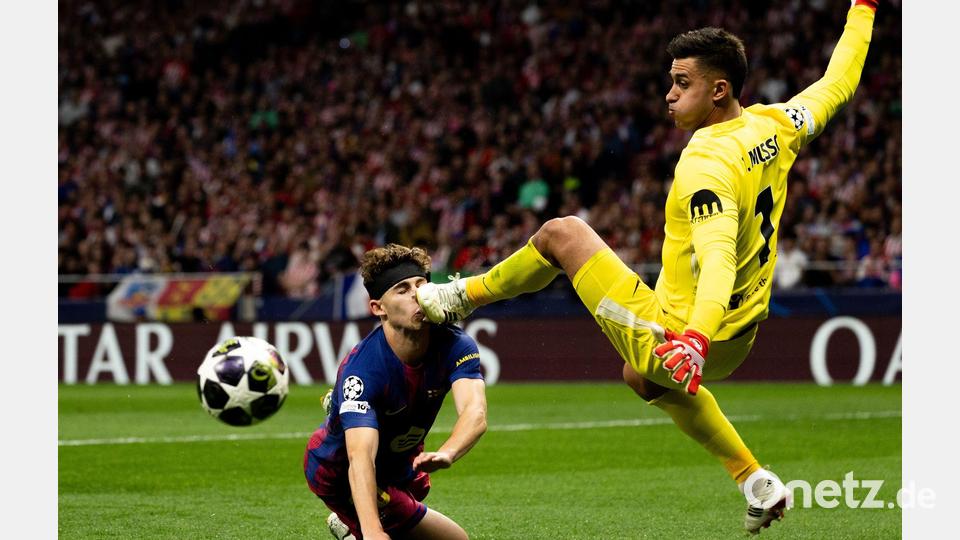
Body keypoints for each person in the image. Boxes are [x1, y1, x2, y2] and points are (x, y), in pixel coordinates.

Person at [416, 1, 878, 534]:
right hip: (739, 336)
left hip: (680, 339)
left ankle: (459, 297)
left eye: (682, 82)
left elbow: (718, 258)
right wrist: (863, 8)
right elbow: (839, 80)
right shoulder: (778, 124)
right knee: (638, 376)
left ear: (719, 90)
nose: (670, 94)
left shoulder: (707, 162)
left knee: (562, 234)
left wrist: (695, 340)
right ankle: (753, 478)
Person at [304, 244, 488, 540]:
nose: (418, 294)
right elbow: (359, 457)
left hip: (402, 464)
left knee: (417, 490)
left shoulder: (456, 344)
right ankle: (357, 527)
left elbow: (475, 412)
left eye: (421, 285)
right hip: (340, 472)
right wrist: (374, 530)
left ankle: (353, 527)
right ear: (378, 308)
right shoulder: (362, 369)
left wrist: (448, 452)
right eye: (402, 290)